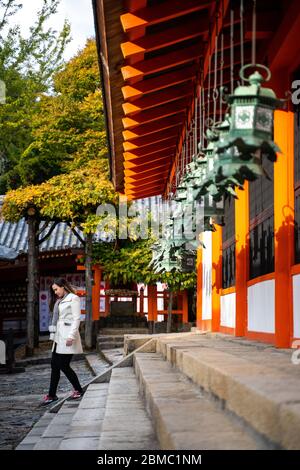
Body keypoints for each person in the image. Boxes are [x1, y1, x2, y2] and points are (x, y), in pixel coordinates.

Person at [40, 278, 84, 406]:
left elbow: (77, 319)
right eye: (53, 290)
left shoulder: (73, 298)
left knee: (63, 365)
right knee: (54, 365)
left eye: (56, 289)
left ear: (63, 287)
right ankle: (52, 395)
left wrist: (71, 336)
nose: (55, 292)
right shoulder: (59, 301)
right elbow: (56, 319)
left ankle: (79, 390)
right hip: (59, 338)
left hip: (67, 337)